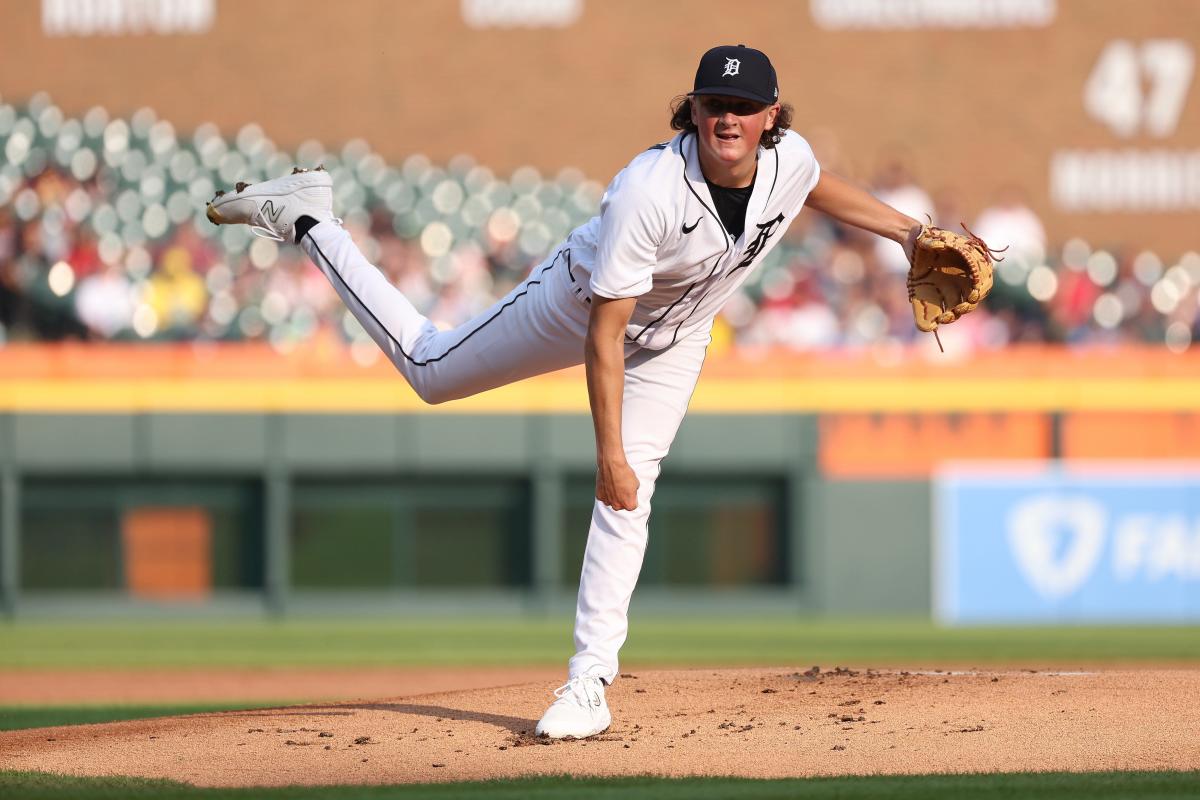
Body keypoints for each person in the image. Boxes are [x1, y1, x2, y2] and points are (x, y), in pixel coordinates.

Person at [207, 44, 923, 739]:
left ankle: (589, 682)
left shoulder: (788, 160)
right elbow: (604, 337)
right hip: (578, 306)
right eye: (713, 105)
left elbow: (813, 182)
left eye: (742, 105)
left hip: (679, 336)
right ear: (693, 111)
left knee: (631, 495)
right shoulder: (650, 190)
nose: (726, 119)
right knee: (432, 372)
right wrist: (607, 452)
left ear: (772, 115)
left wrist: (909, 234)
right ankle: (311, 218)